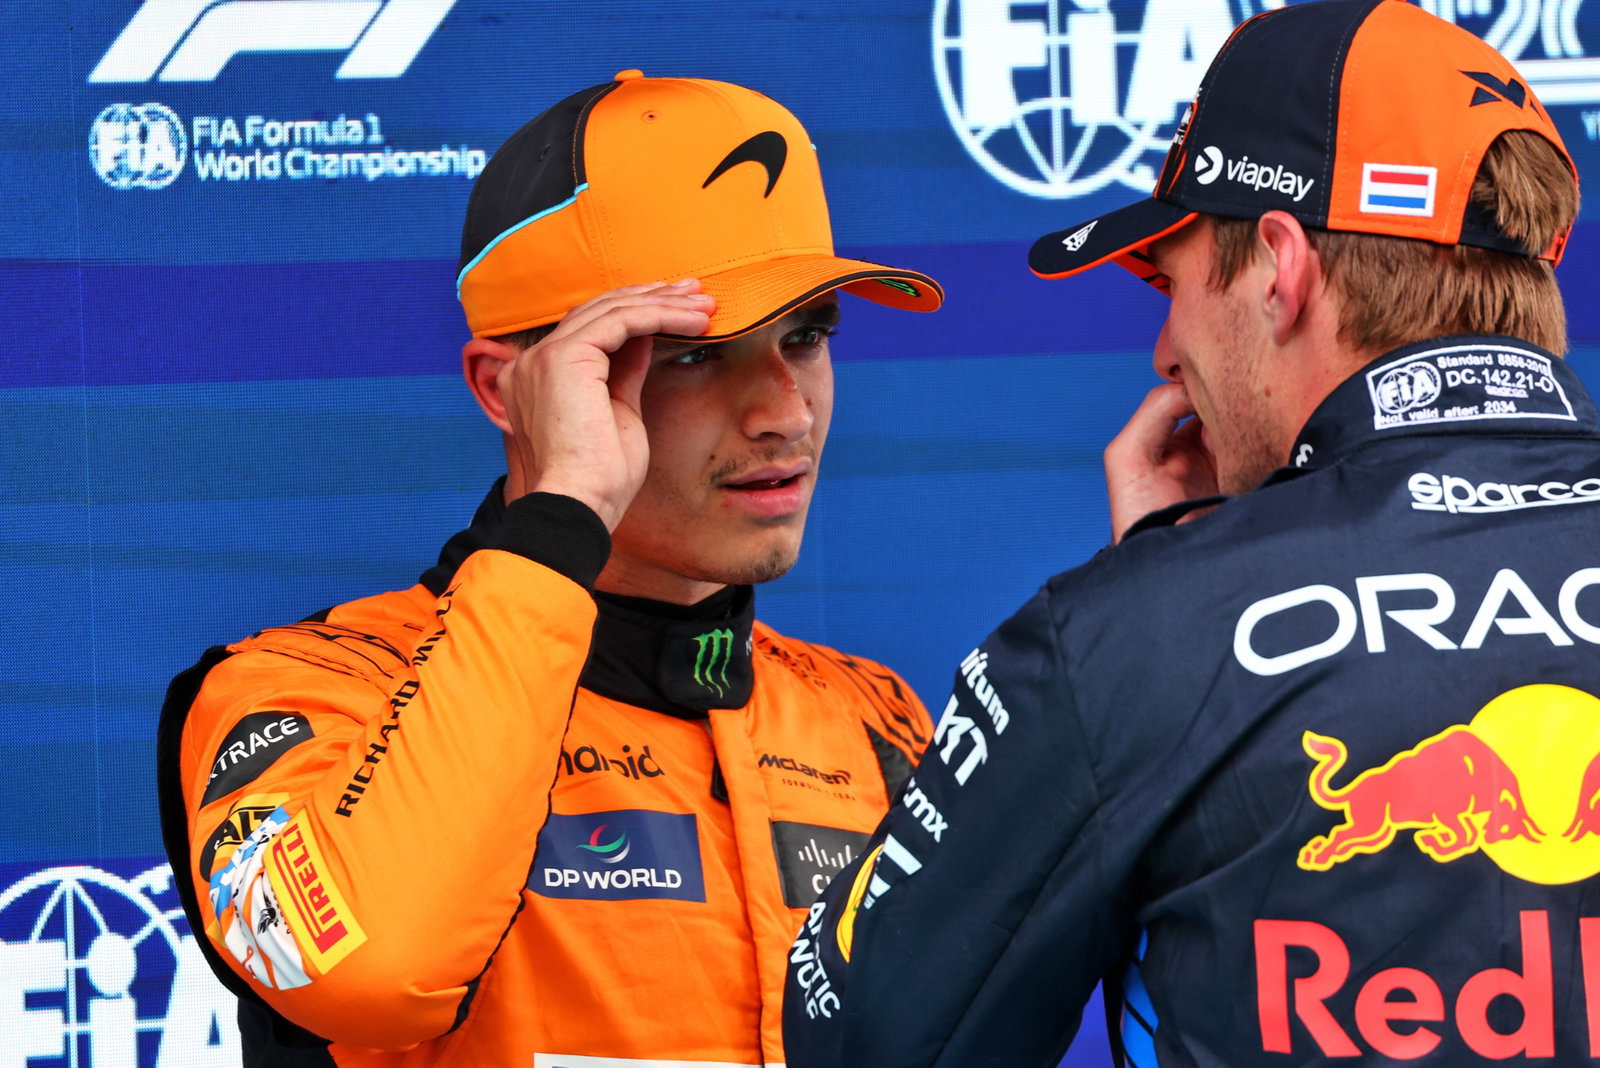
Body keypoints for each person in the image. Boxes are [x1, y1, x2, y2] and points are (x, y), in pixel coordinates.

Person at [783, 1, 1595, 1064]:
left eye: (1169, 282)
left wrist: (1161, 600)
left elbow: (861, 1036)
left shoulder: (1134, 634)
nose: (1167, 350)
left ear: (1277, 266)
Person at [155, 70, 944, 1064]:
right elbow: (367, 966)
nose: (784, 411)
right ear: (505, 387)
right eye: (693, 354)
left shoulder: (870, 715)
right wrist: (559, 518)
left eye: (807, 336)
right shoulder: (301, 692)